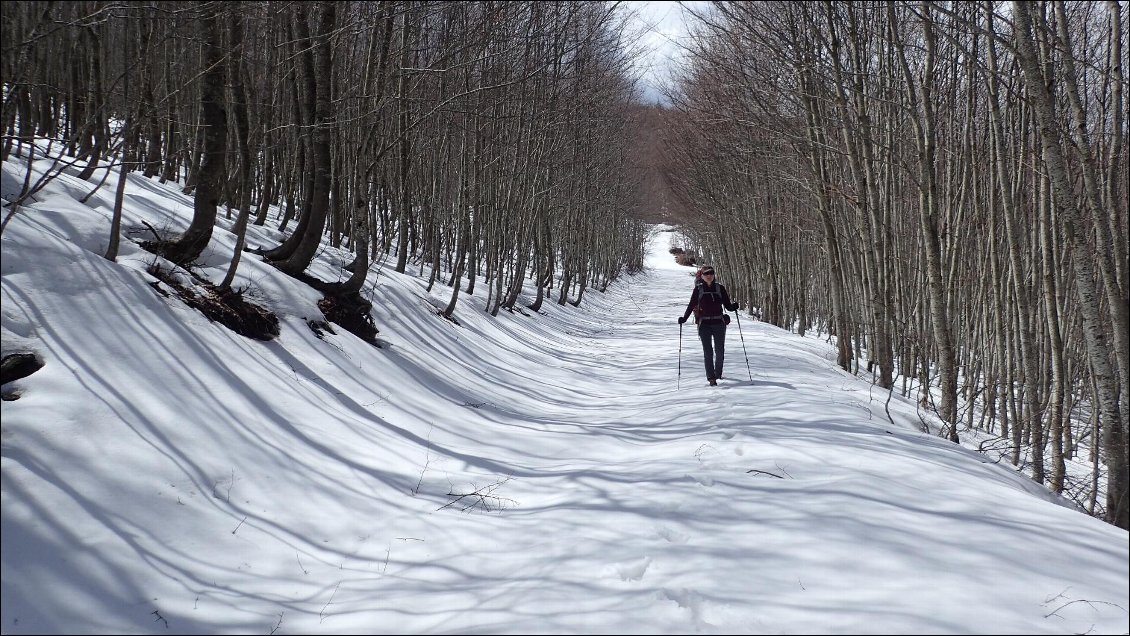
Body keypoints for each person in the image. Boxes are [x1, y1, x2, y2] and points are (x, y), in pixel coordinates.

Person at [678, 266, 738, 386]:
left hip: (719, 323)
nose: (709, 275)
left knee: (719, 351)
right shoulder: (698, 289)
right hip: (704, 324)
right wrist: (684, 318)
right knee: (708, 351)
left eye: (711, 273)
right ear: (702, 276)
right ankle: (711, 378)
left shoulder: (720, 288)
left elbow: (727, 306)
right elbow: (691, 305)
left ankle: (718, 373)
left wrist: (733, 306)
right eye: (706, 274)